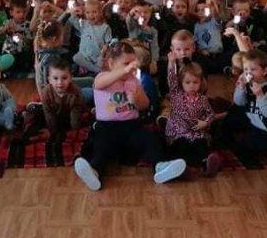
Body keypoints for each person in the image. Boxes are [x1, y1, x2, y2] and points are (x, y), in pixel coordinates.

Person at [73, 40, 186, 191]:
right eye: (126, 63)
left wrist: (137, 99)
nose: (131, 68)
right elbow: (99, 84)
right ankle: (94, 170)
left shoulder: (134, 81)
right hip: (107, 127)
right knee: (101, 145)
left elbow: (145, 104)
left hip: (131, 126)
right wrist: (124, 71)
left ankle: (160, 167)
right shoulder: (102, 77)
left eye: (133, 64)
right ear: (111, 63)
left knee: (150, 139)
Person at [164, 62, 221, 177]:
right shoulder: (176, 95)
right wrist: (171, 62)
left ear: (201, 82)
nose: (191, 86)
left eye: (195, 82)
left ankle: (206, 165)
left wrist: (205, 122)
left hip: (196, 131)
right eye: (187, 82)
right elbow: (171, 78)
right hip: (178, 132)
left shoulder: (203, 99)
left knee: (201, 143)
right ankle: (180, 166)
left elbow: (211, 114)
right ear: (181, 82)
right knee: (181, 145)